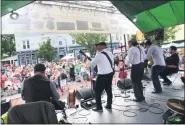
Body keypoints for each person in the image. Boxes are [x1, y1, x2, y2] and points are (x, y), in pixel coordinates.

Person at [90, 42, 114, 112]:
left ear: (102, 47)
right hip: (110, 73)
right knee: (108, 90)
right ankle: (109, 105)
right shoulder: (110, 53)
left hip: (102, 75)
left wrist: (92, 61)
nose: (97, 48)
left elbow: (92, 64)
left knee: (97, 91)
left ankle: (99, 107)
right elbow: (111, 63)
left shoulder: (99, 55)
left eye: (98, 47)